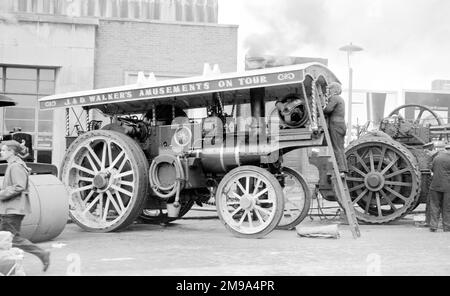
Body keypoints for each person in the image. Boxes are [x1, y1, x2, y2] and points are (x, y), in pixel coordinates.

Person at [0, 140, 50, 271]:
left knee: (12, 239)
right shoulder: (14, 165)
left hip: (11, 209)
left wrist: (1, 194)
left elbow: (19, 186)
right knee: (8, 239)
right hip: (11, 208)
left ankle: (42, 254)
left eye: (4, 150)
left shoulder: (15, 166)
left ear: (11, 152)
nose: (1, 152)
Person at [323, 82, 348, 175]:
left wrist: (321, 109)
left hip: (335, 125)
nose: (328, 91)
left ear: (334, 89)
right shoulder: (341, 99)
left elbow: (328, 109)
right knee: (341, 148)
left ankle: (341, 169)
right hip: (341, 125)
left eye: (330, 89)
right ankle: (344, 168)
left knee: (336, 148)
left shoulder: (334, 98)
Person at [428, 143, 450, 232]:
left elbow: (432, 170)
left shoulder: (436, 158)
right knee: (447, 207)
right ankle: (447, 227)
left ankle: (433, 226)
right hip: (447, 187)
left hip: (435, 186)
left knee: (434, 206)